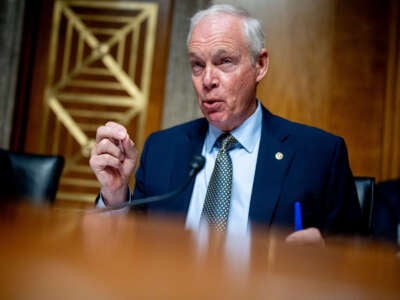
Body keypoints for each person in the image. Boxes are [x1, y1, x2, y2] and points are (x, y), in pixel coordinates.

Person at [90, 4, 362, 245]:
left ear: (261, 64)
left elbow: (360, 261)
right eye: (197, 65)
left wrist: (326, 258)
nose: (207, 80)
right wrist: (114, 195)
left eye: (225, 62)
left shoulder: (319, 155)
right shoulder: (163, 149)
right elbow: (129, 249)